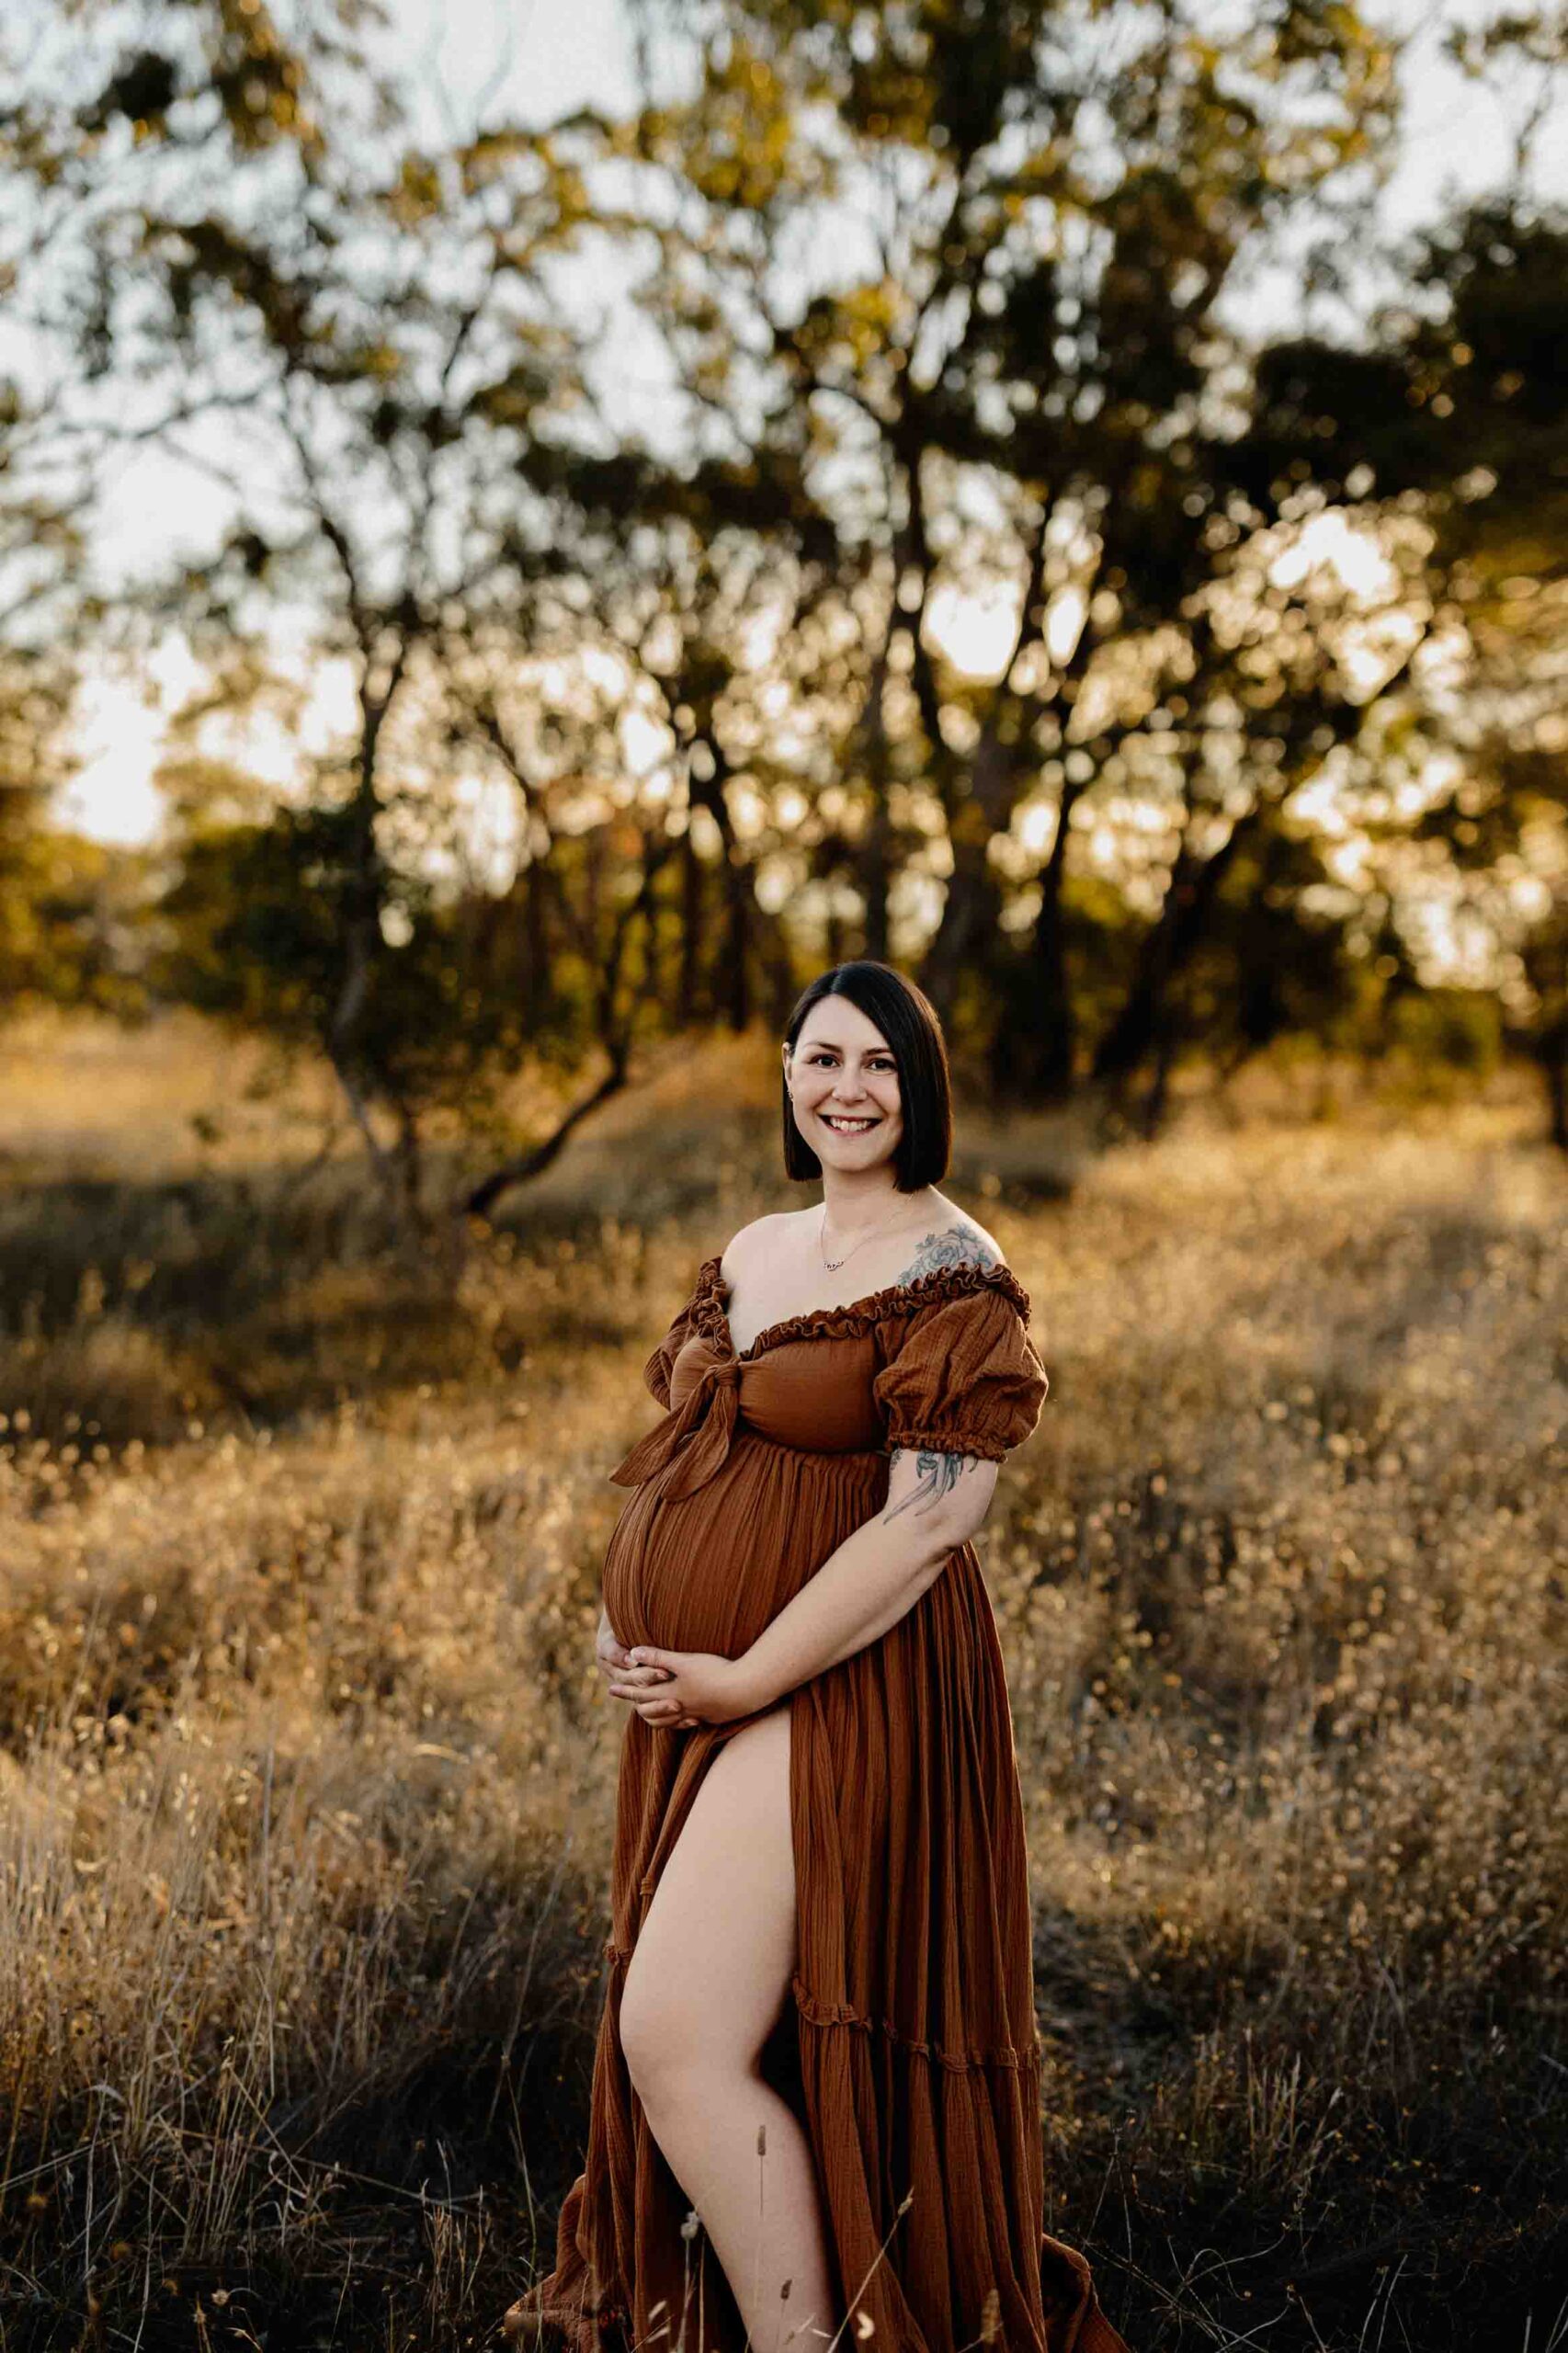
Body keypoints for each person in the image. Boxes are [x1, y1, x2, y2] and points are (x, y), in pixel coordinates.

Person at [503, 961, 1133, 2353]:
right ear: (787, 1072)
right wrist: (631, 1607)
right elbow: (688, 1450)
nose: (848, 1090)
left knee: (674, 2033)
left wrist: (746, 1675)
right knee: (729, 2024)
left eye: (880, 1066)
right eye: (823, 1059)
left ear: (922, 1089)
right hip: (703, 1695)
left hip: (843, 1686)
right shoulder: (752, 1248)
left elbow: (928, 1528)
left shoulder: (953, 1270)